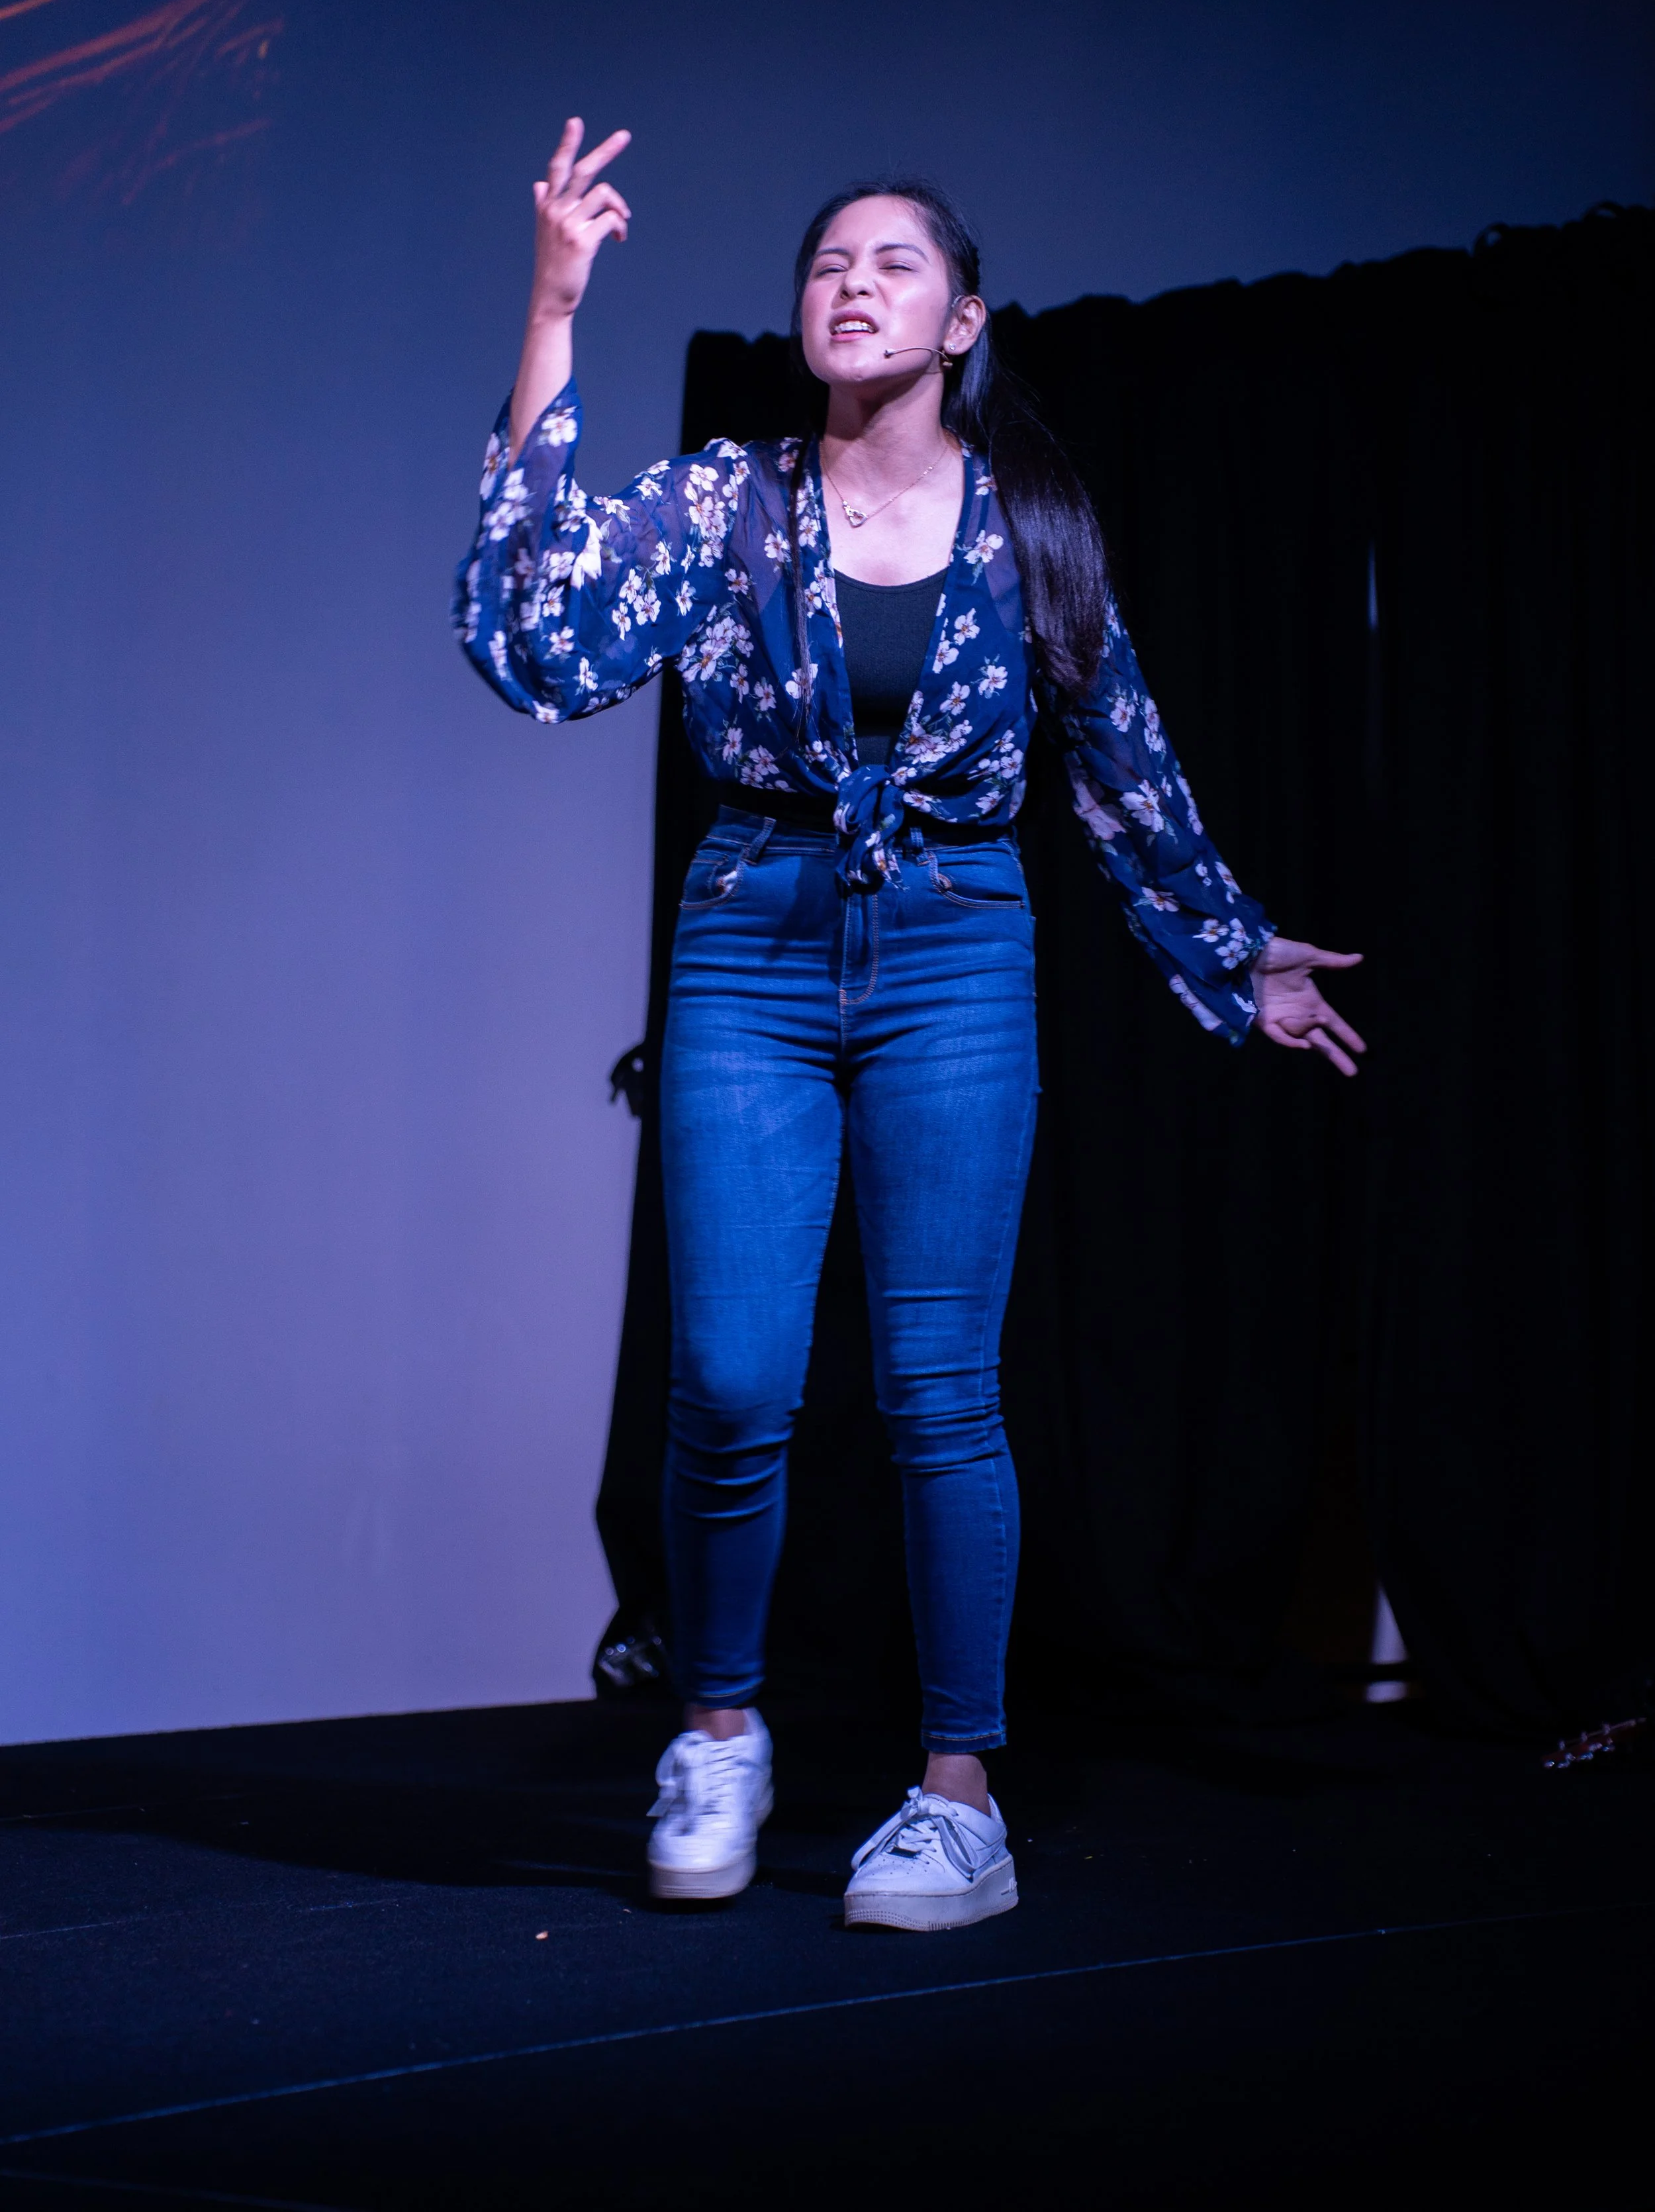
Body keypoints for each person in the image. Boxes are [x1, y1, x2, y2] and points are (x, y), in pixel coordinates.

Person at [457, 119, 1366, 1933]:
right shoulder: (723, 503)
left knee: (940, 1391)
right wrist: (554, 309)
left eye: (892, 263)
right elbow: (535, 638)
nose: (851, 285)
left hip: (954, 947)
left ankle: (958, 1797)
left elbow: (1118, 754)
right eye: (826, 263)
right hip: (751, 940)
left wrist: (1233, 944)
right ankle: (718, 1729)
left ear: (962, 320)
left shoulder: (1031, 524)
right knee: (730, 1379)